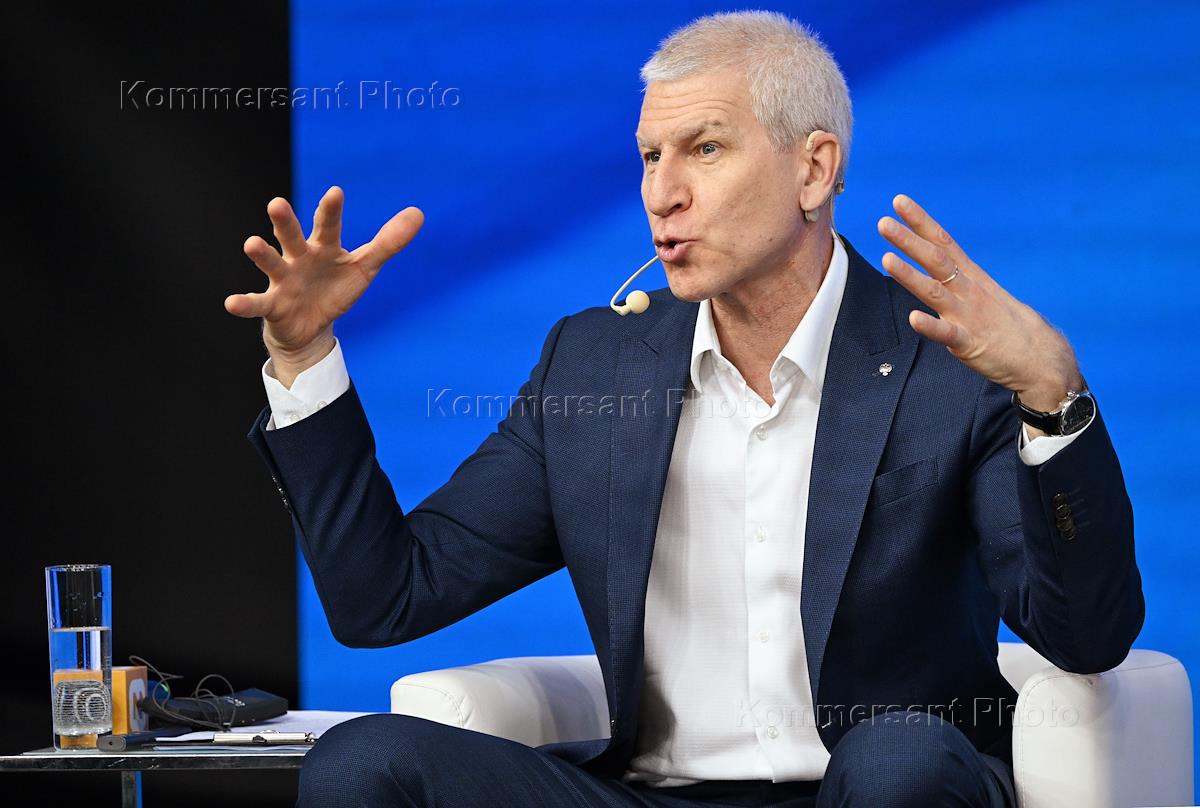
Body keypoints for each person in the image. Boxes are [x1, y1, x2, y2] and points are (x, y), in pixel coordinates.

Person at [225, 11, 1143, 808]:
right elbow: (386, 598)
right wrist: (304, 358)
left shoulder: (949, 363)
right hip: (650, 792)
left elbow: (1086, 637)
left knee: (897, 759)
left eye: (705, 149)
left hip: (877, 787)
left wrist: (1052, 402)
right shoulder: (593, 367)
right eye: (649, 156)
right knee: (364, 760)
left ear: (814, 169)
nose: (663, 193)